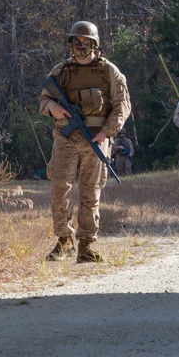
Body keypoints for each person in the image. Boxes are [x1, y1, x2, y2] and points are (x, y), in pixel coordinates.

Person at [39, 20, 131, 263]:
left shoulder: (109, 71)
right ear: (71, 44)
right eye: (77, 43)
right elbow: (44, 100)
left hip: (96, 140)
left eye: (86, 43)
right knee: (61, 189)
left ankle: (87, 246)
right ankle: (64, 241)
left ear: (95, 44)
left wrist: (106, 132)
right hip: (66, 139)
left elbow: (123, 106)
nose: (81, 47)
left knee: (91, 193)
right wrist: (52, 107)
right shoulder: (61, 71)